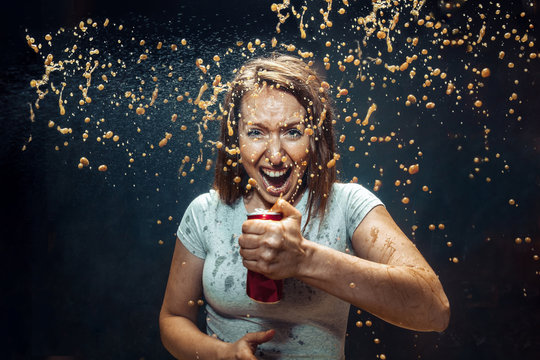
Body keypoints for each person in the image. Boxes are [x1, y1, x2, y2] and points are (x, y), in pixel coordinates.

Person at [159, 53, 450, 360]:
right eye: (256, 132)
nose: (274, 155)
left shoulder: (348, 205)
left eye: (292, 132)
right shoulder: (205, 213)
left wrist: (304, 259)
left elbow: (435, 310)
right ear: (235, 139)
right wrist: (222, 354)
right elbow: (172, 318)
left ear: (315, 138)